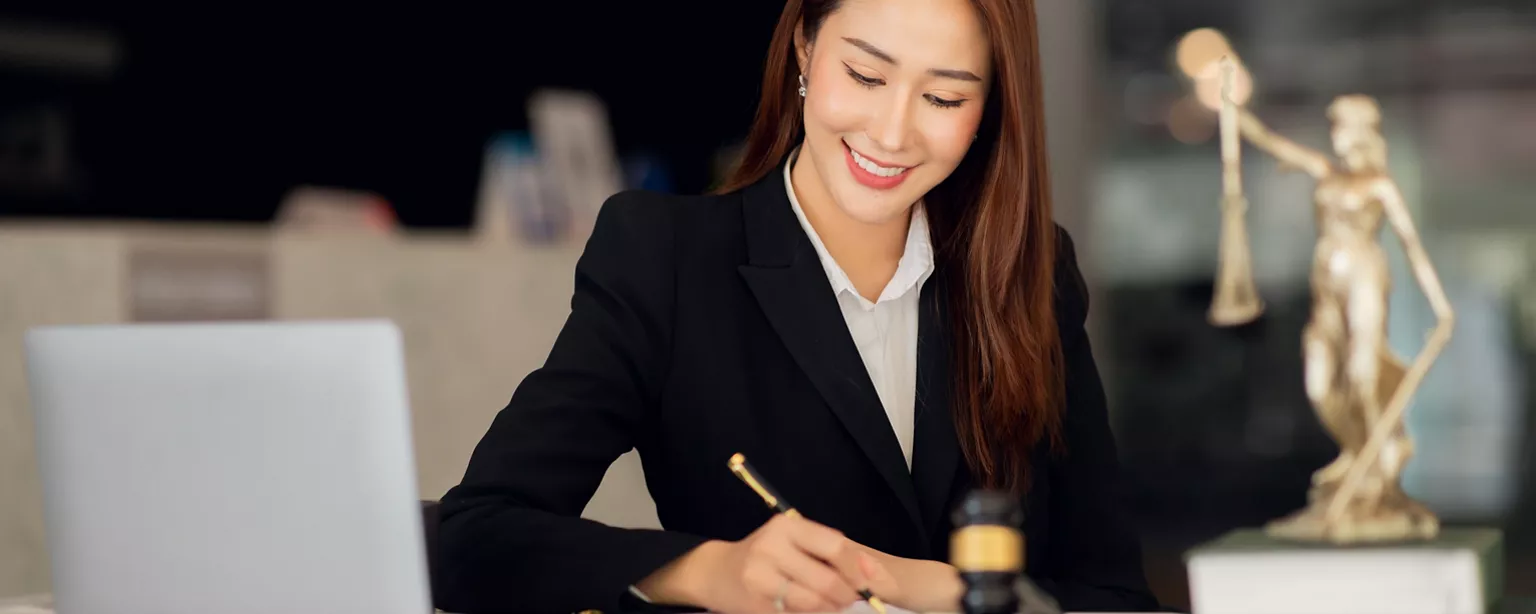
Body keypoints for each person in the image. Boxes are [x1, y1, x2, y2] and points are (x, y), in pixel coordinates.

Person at [435, 0, 1160, 612]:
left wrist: (936, 588)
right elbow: (476, 538)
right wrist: (708, 572)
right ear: (806, 49)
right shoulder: (668, 259)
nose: (892, 132)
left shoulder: (1028, 272)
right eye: (866, 75)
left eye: (944, 97)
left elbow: (1117, 597)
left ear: (990, 108)